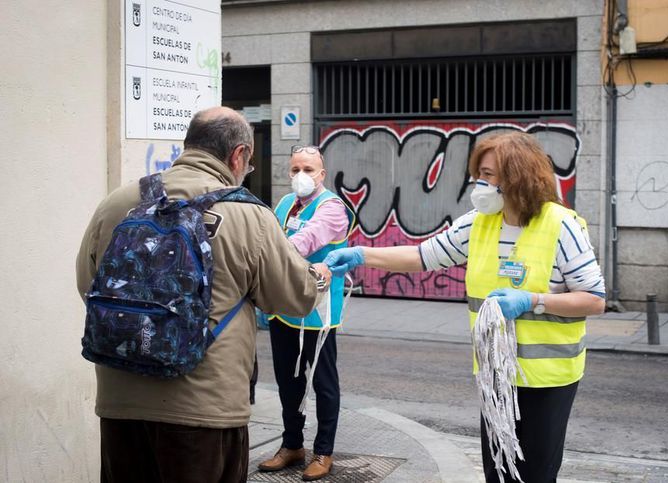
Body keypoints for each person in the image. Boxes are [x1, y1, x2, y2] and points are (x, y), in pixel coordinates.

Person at [324, 131, 606, 483]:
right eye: (478, 174)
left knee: (534, 474)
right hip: (496, 377)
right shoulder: (479, 222)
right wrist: (361, 254)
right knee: (498, 470)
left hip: (548, 380)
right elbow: (422, 256)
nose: (479, 183)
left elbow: (594, 299)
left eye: (488, 175)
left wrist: (533, 301)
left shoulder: (560, 225)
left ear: (516, 175)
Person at [76, 107, 332, 483]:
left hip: (120, 403)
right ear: (238, 155)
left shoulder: (120, 200)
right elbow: (294, 297)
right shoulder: (249, 215)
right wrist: (318, 278)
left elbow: (87, 282)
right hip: (206, 409)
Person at [258, 145, 355, 481]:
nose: (301, 175)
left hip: (319, 312)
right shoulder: (285, 204)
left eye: (309, 169)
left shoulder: (332, 208)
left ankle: (324, 451)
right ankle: (292, 445)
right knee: (288, 381)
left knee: (324, 384)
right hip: (284, 308)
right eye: (296, 168)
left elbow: (305, 241)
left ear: (322, 174)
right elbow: (269, 235)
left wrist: (265, 255)